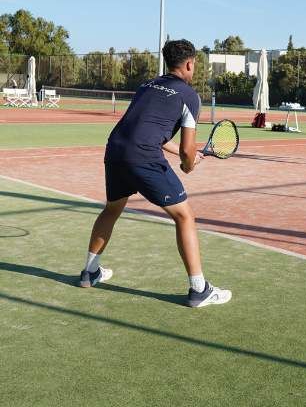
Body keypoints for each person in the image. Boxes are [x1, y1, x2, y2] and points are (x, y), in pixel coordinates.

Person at [79, 39, 231, 308]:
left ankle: (89, 272)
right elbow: (186, 151)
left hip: (115, 151)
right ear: (189, 63)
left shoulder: (147, 86)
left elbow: (152, 132)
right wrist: (188, 163)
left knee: (112, 209)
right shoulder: (189, 96)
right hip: (143, 157)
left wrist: (185, 155)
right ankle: (199, 290)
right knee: (185, 216)